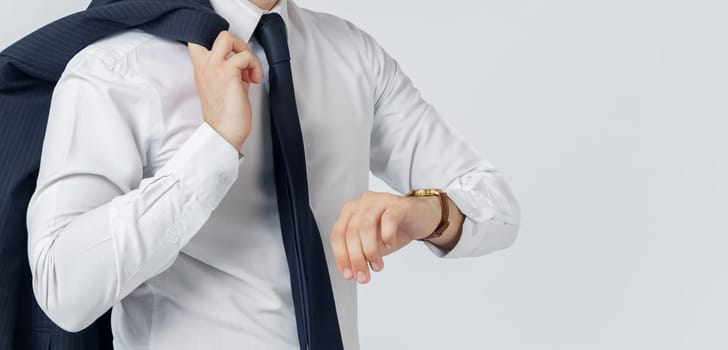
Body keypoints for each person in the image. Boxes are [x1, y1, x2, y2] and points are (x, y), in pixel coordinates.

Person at [23, 0, 520, 348]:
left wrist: (423, 211)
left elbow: (496, 206)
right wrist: (214, 147)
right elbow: (62, 290)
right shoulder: (114, 69)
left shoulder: (353, 56)